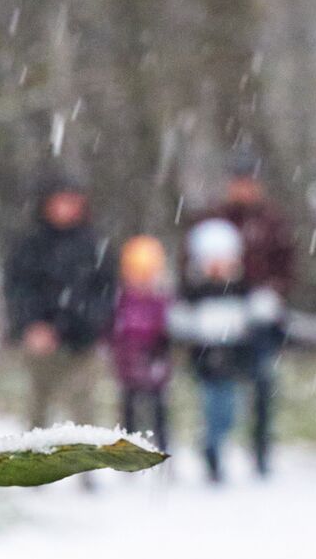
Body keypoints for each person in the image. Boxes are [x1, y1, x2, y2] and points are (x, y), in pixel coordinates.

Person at [186, 148, 296, 475]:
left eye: (249, 182)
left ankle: (261, 450)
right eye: (238, 182)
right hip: (220, 320)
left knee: (263, 384)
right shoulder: (213, 220)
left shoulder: (272, 222)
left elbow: (287, 267)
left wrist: (271, 294)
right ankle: (214, 447)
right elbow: (192, 267)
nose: (244, 189)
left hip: (259, 320)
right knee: (219, 390)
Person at [3, 177, 117, 429]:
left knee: (84, 410)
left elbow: (105, 293)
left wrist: (86, 325)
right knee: (37, 409)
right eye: (60, 201)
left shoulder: (95, 245)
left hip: (81, 342)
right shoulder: (30, 245)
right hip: (40, 342)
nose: (66, 208)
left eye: (72, 201)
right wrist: (31, 325)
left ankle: (87, 463)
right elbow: (17, 289)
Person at [170, 219, 278, 483]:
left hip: (239, 360)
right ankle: (212, 453)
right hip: (209, 364)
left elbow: (265, 315)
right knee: (216, 409)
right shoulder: (192, 291)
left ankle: (258, 451)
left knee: (238, 408)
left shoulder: (245, 287)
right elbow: (179, 322)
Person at [108, 235, 172, 451]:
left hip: (156, 362)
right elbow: (113, 331)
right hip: (127, 364)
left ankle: (162, 449)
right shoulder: (120, 299)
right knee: (128, 410)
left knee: (159, 411)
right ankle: (128, 450)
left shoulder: (162, 300)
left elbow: (169, 330)